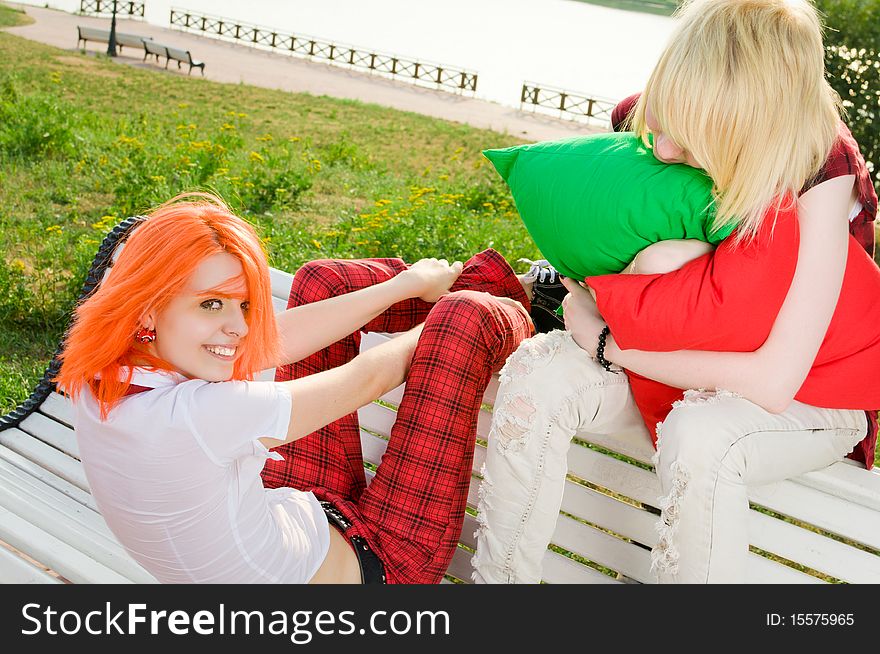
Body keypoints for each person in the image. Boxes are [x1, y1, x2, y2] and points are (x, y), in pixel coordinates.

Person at [472, 0, 879, 584]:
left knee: (702, 434)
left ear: (749, 123)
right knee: (540, 375)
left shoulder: (823, 166)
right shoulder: (681, 104)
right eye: (660, 125)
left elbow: (775, 379)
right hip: (679, 340)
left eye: (686, 141)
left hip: (810, 387)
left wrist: (608, 340)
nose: (662, 151)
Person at [56, 192, 535, 584]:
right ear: (147, 307)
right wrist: (438, 317)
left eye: (242, 305)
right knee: (463, 318)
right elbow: (369, 377)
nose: (237, 329)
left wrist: (407, 284)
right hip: (386, 563)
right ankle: (536, 296)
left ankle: (476, 286)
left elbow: (275, 340)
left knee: (321, 281)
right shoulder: (202, 415)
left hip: (293, 512)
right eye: (210, 305)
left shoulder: (98, 375)